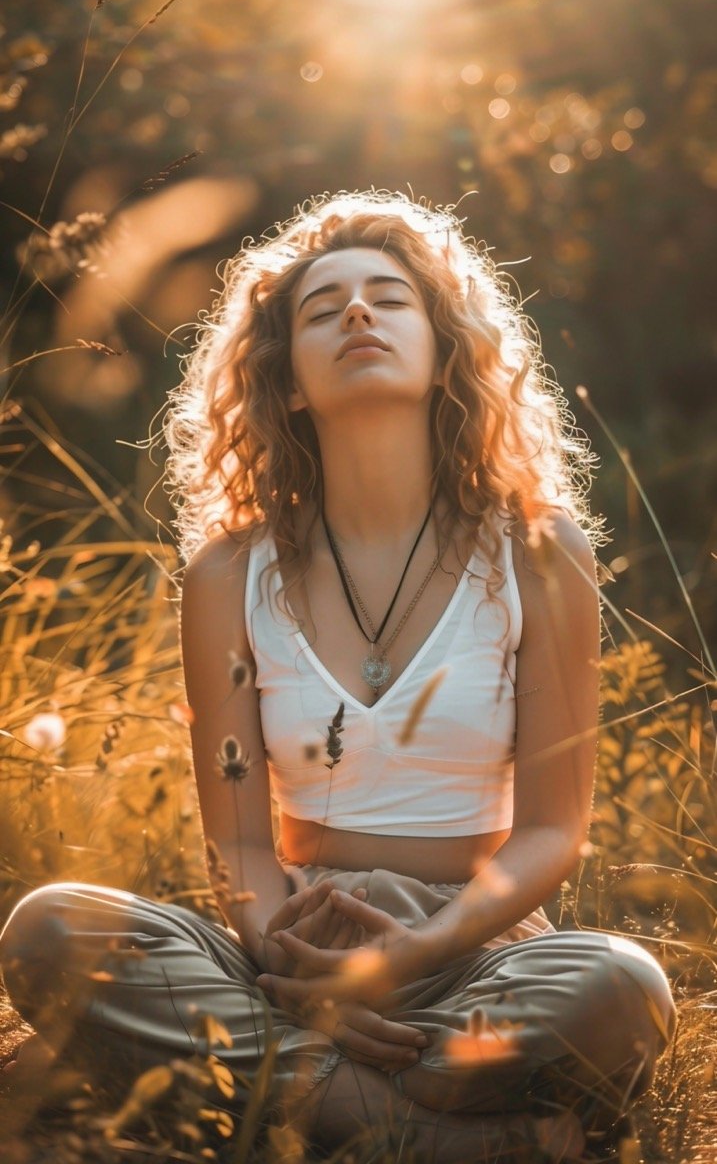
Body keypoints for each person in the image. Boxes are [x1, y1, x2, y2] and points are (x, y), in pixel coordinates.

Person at [0, 191, 676, 1162]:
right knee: (50, 928)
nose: (357, 313)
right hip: (290, 953)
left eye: (389, 298)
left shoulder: (536, 552)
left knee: (622, 987)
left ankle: (284, 1088)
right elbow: (237, 844)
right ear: (288, 383)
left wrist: (409, 953)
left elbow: (548, 833)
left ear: (446, 350)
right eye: (323, 309)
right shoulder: (230, 574)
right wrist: (295, 961)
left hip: (471, 956)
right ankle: (441, 1134)